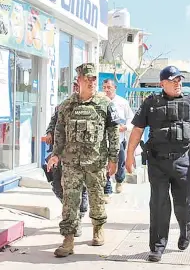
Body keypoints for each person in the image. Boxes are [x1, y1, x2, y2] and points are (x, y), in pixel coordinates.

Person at [125, 66, 190, 263]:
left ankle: (185, 231)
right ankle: (157, 246)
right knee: (158, 204)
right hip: (157, 161)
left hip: (184, 160)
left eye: (179, 80)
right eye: (173, 80)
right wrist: (129, 154)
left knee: (185, 205)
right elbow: (137, 129)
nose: (178, 83)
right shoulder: (151, 103)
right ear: (162, 83)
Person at [47, 63, 120, 258]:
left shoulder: (105, 104)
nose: (91, 83)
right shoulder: (67, 105)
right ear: (79, 80)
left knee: (96, 199)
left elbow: (113, 133)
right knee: (70, 201)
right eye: (87, 79)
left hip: (95, 162)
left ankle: (98, 228)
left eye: (94, 79)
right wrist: (56, 153)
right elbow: (59, 131)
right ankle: (68, 239)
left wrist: (114, 158)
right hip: (71, 163)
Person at [43, 77, 88, 237]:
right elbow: (53, 122)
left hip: (81, 155)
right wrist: (49, 132)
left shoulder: (91, 106)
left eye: (79, 85)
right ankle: (73, 210)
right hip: (61, 153)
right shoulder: (63, 105)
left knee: (79, 187)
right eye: (74, 85)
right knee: (57, 185)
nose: (76, 88)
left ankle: (78, 216)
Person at [102, 78, 134, 200]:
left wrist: (125, 127)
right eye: (104, 87)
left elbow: (131, 118)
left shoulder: (122, 102)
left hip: (119, 139)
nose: (106, 90)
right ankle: (107, 190)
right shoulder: (99, 102)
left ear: (115, 88)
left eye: (109, 87)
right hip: (104, 140)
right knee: (105, 164)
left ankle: (120, 180)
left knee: (119, 162)